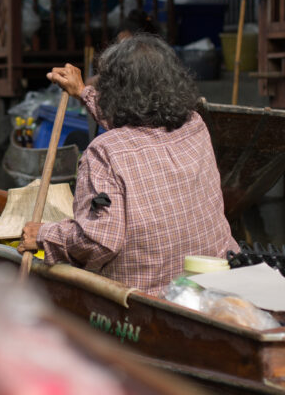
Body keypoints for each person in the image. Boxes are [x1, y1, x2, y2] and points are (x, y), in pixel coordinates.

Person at [18, 34, 238, 296]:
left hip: (147, 296)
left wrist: (45, 235)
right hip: (217, 282)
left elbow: (98, 242)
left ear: (113, 91)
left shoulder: (104, 152)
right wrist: (83, 93)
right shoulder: (194, 125)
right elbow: (140, 125)